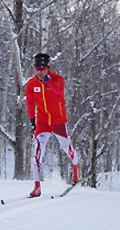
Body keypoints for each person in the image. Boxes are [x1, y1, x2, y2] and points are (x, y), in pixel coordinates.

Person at [25, 53, 81, 197]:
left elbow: (59, 92)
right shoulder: (31, 83)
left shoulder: (57, 79)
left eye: (43, 69)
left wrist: (48, 81)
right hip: (43, 122)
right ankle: (37, 186)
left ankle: (76, 168)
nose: (40, 72)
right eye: (37, 69)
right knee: (37, 153)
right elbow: (30, 103)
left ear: (48, 69)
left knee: (66, 147)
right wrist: (32, 120)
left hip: (59, 121)